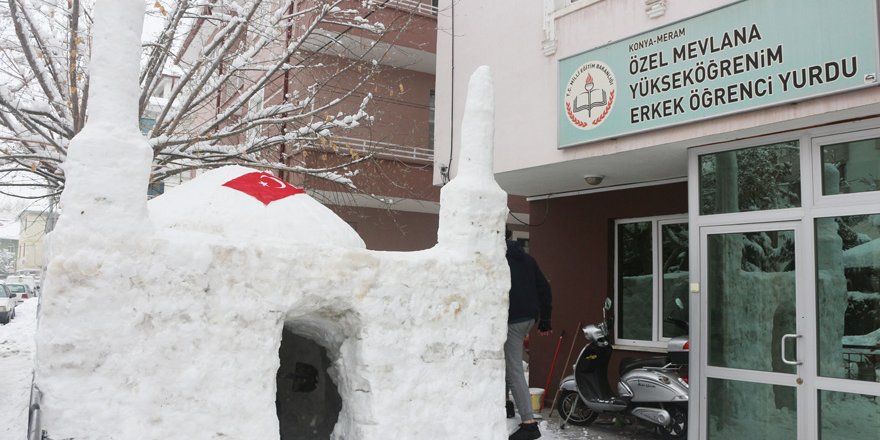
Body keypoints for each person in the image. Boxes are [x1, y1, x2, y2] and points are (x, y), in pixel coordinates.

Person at [505, 230, 552, 440]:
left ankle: (529, 423)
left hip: (513, 319)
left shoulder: (500, 258)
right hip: (530, 317)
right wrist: (545, 320)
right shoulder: (526, 258)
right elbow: (544, 287)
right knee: (507, 361)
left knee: (514, 369)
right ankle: (505, 405)